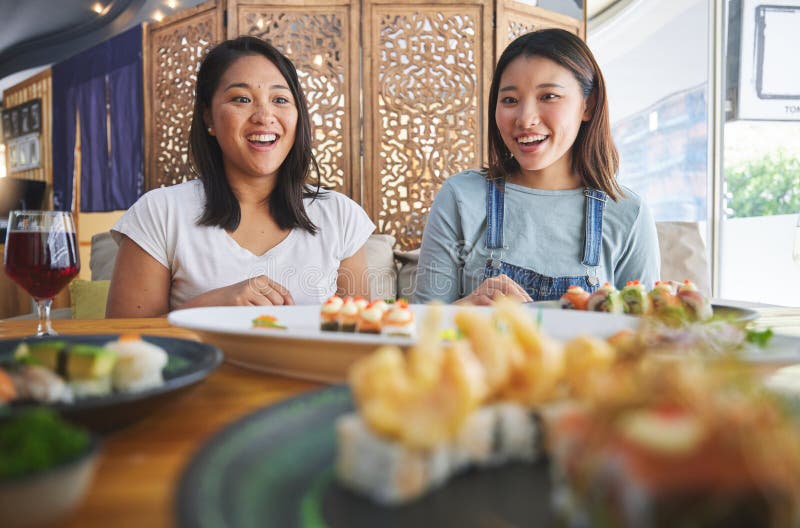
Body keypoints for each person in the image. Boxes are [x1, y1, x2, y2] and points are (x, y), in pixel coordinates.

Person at [107, 36, 374, 317]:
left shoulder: (341, 216)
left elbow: (360, 338)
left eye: (280, 99)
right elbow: (122, 345)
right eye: (242, 99)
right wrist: (208, 307)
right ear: (208, 118)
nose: (264, 115)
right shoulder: (159, 213)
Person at [413, 29, 660, 305]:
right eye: (510, 100)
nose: (525, 118)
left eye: (549, 96)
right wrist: (464, 309)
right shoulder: (460, 197)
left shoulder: (628, 213)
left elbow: (642, 338)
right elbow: (421, 329)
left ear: (587, 106)